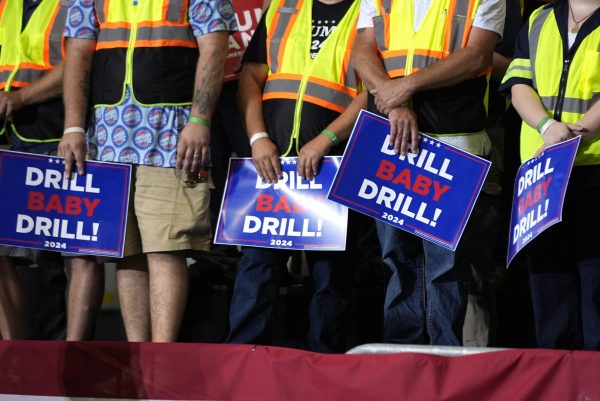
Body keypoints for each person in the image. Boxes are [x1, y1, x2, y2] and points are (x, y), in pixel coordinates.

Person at [58, 0, 236, 342]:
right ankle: (138, 358)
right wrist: (73, 128)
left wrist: (199, 120)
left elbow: (214, 50)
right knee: (125, 253)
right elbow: (78, 56)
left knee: (166, 249)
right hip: (107, 139)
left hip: (173, 137)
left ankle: (162, 358)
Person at [352, 0, 504, 345]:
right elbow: (362, 49)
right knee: (397, 261)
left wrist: (406, 87)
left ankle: (442, 365)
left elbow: (478, 56)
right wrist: (397, 101)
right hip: (392, 140)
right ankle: (403, 361)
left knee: (446, 268)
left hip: (454, 149)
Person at [227, 0, 368, 352]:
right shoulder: (283, 7)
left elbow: (373, 90)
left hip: (335, 164)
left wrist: (326, 139)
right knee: (256, 268)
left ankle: (324, 368)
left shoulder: (370, 11)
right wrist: (257, 138)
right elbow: (251, 75)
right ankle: (243, 360)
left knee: (331, 276)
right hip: (272, 164)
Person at [500, 0, 600, 350]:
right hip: (542, 173)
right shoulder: (539, 18)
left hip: (592, 168)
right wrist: (546, 126)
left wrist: (572, 133)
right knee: (547, 283)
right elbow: (518, 83)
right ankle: (557, 377)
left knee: (595, 284)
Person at [0, 0, 102, 341]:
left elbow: (82, 61)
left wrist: (21, 98)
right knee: (10, 257)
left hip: (62, 135)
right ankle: (18, 358)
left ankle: (72, 356)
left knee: (78, 251)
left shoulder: (75, 4)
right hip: (11, 140)